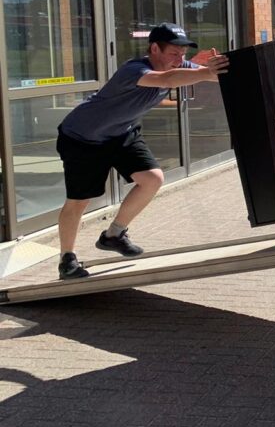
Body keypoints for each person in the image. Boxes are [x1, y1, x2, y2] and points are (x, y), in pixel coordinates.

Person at [54, 23, 229, 280]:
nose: (179, 59)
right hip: (83, 137)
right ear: (154, 48)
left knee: (152, 179)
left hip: (122, 133)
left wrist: (220, 67)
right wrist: (204, 72)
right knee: (79, 200)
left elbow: (209, 75)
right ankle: (67, 258)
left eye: (182, 54)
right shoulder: (134, 69)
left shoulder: (178, 67)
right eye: (173, 53)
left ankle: (113, 235)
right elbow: (166, 80)